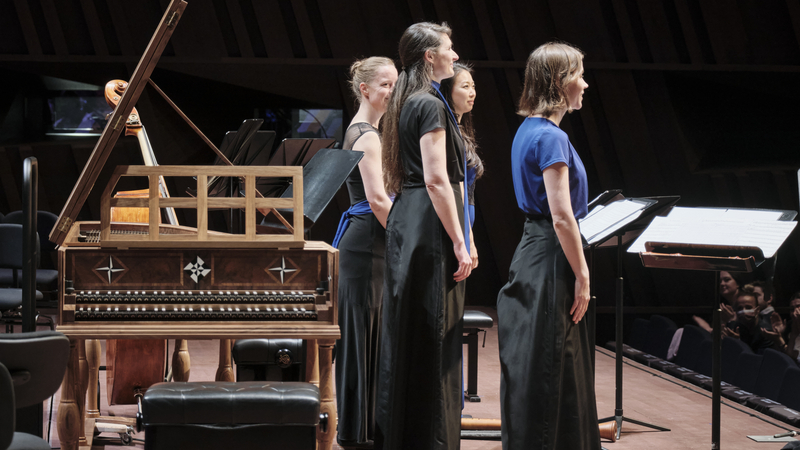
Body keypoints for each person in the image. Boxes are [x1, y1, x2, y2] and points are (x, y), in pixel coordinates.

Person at [496, 42, 600, 450]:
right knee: (551, 365)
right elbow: (561, 216)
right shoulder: (552, 138)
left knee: (547, 363)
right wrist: (584, 275)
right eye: (579, 75)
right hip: (553, 258)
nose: (585, 84)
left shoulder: (528, 129)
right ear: (560, 82)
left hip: (534, 250)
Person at [375, 22, 471, 450]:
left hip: (407, 219)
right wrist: (460, 240)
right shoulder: (430, 103)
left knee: (409, 331)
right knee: (433, 332)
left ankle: (404, 435)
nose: (454, 55)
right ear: (429, 57)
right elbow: (437, 181)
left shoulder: (405, 100)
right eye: (448, 49)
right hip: (428, 222)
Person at [333, 56, 397, 449]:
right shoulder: (368, 135)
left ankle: (364, 427)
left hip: (368, 245)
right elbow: (377, 199)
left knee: (369, 337)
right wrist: (408, 240)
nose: (392, 92)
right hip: (366, 247)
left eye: (394, 84)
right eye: (386, 85)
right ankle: (357, 432)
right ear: (365, 89)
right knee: (361, 338)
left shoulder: (365, 130)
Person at [441, 63, 482, 269]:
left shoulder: (460, 131)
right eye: (465, 87)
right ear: (448, 91)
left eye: (473, 86)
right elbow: (454, 188)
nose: (472, 92)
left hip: (463, 225)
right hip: (453, 225)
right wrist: (468, 241)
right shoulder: (447, 133)